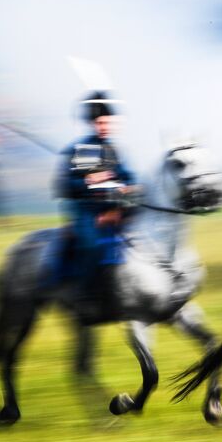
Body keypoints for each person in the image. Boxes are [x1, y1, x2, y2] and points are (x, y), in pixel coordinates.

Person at [55, 90, 136, 323]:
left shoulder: (115, 150)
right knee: (91, 245)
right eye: (100, 122)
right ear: (92, 123)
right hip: (85, 210)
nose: (104, 126)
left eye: (108, 122)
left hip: (114, 209)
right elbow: (65, 186)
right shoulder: (80, 149)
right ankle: (84, 296)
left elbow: (129, 177)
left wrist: (127, 187)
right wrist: (90, 179)